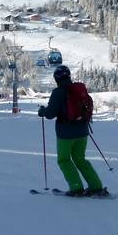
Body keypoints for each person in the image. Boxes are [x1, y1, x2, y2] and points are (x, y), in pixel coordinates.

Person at [37, 65, 104, 196]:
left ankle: (76, 188)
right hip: (83, 131)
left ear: (56, 78)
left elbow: (50, 114)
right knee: (80, 159)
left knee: (64, 160)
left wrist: (42, 111)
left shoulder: (58, 93)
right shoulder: (78, 90)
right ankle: (96, 186)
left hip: (65, 134)